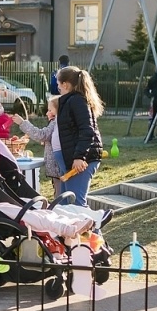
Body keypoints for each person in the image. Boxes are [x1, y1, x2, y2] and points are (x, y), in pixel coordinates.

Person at [54, 66, 104, 206]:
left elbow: (87, 130)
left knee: (77, 203)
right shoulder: (71, 101)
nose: (59, 90)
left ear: (65, 84)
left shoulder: (77, 101)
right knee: (66, 203)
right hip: (74, 158)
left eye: (59, 86)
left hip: (82, 160)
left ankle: (94, 227)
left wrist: (79, 156)